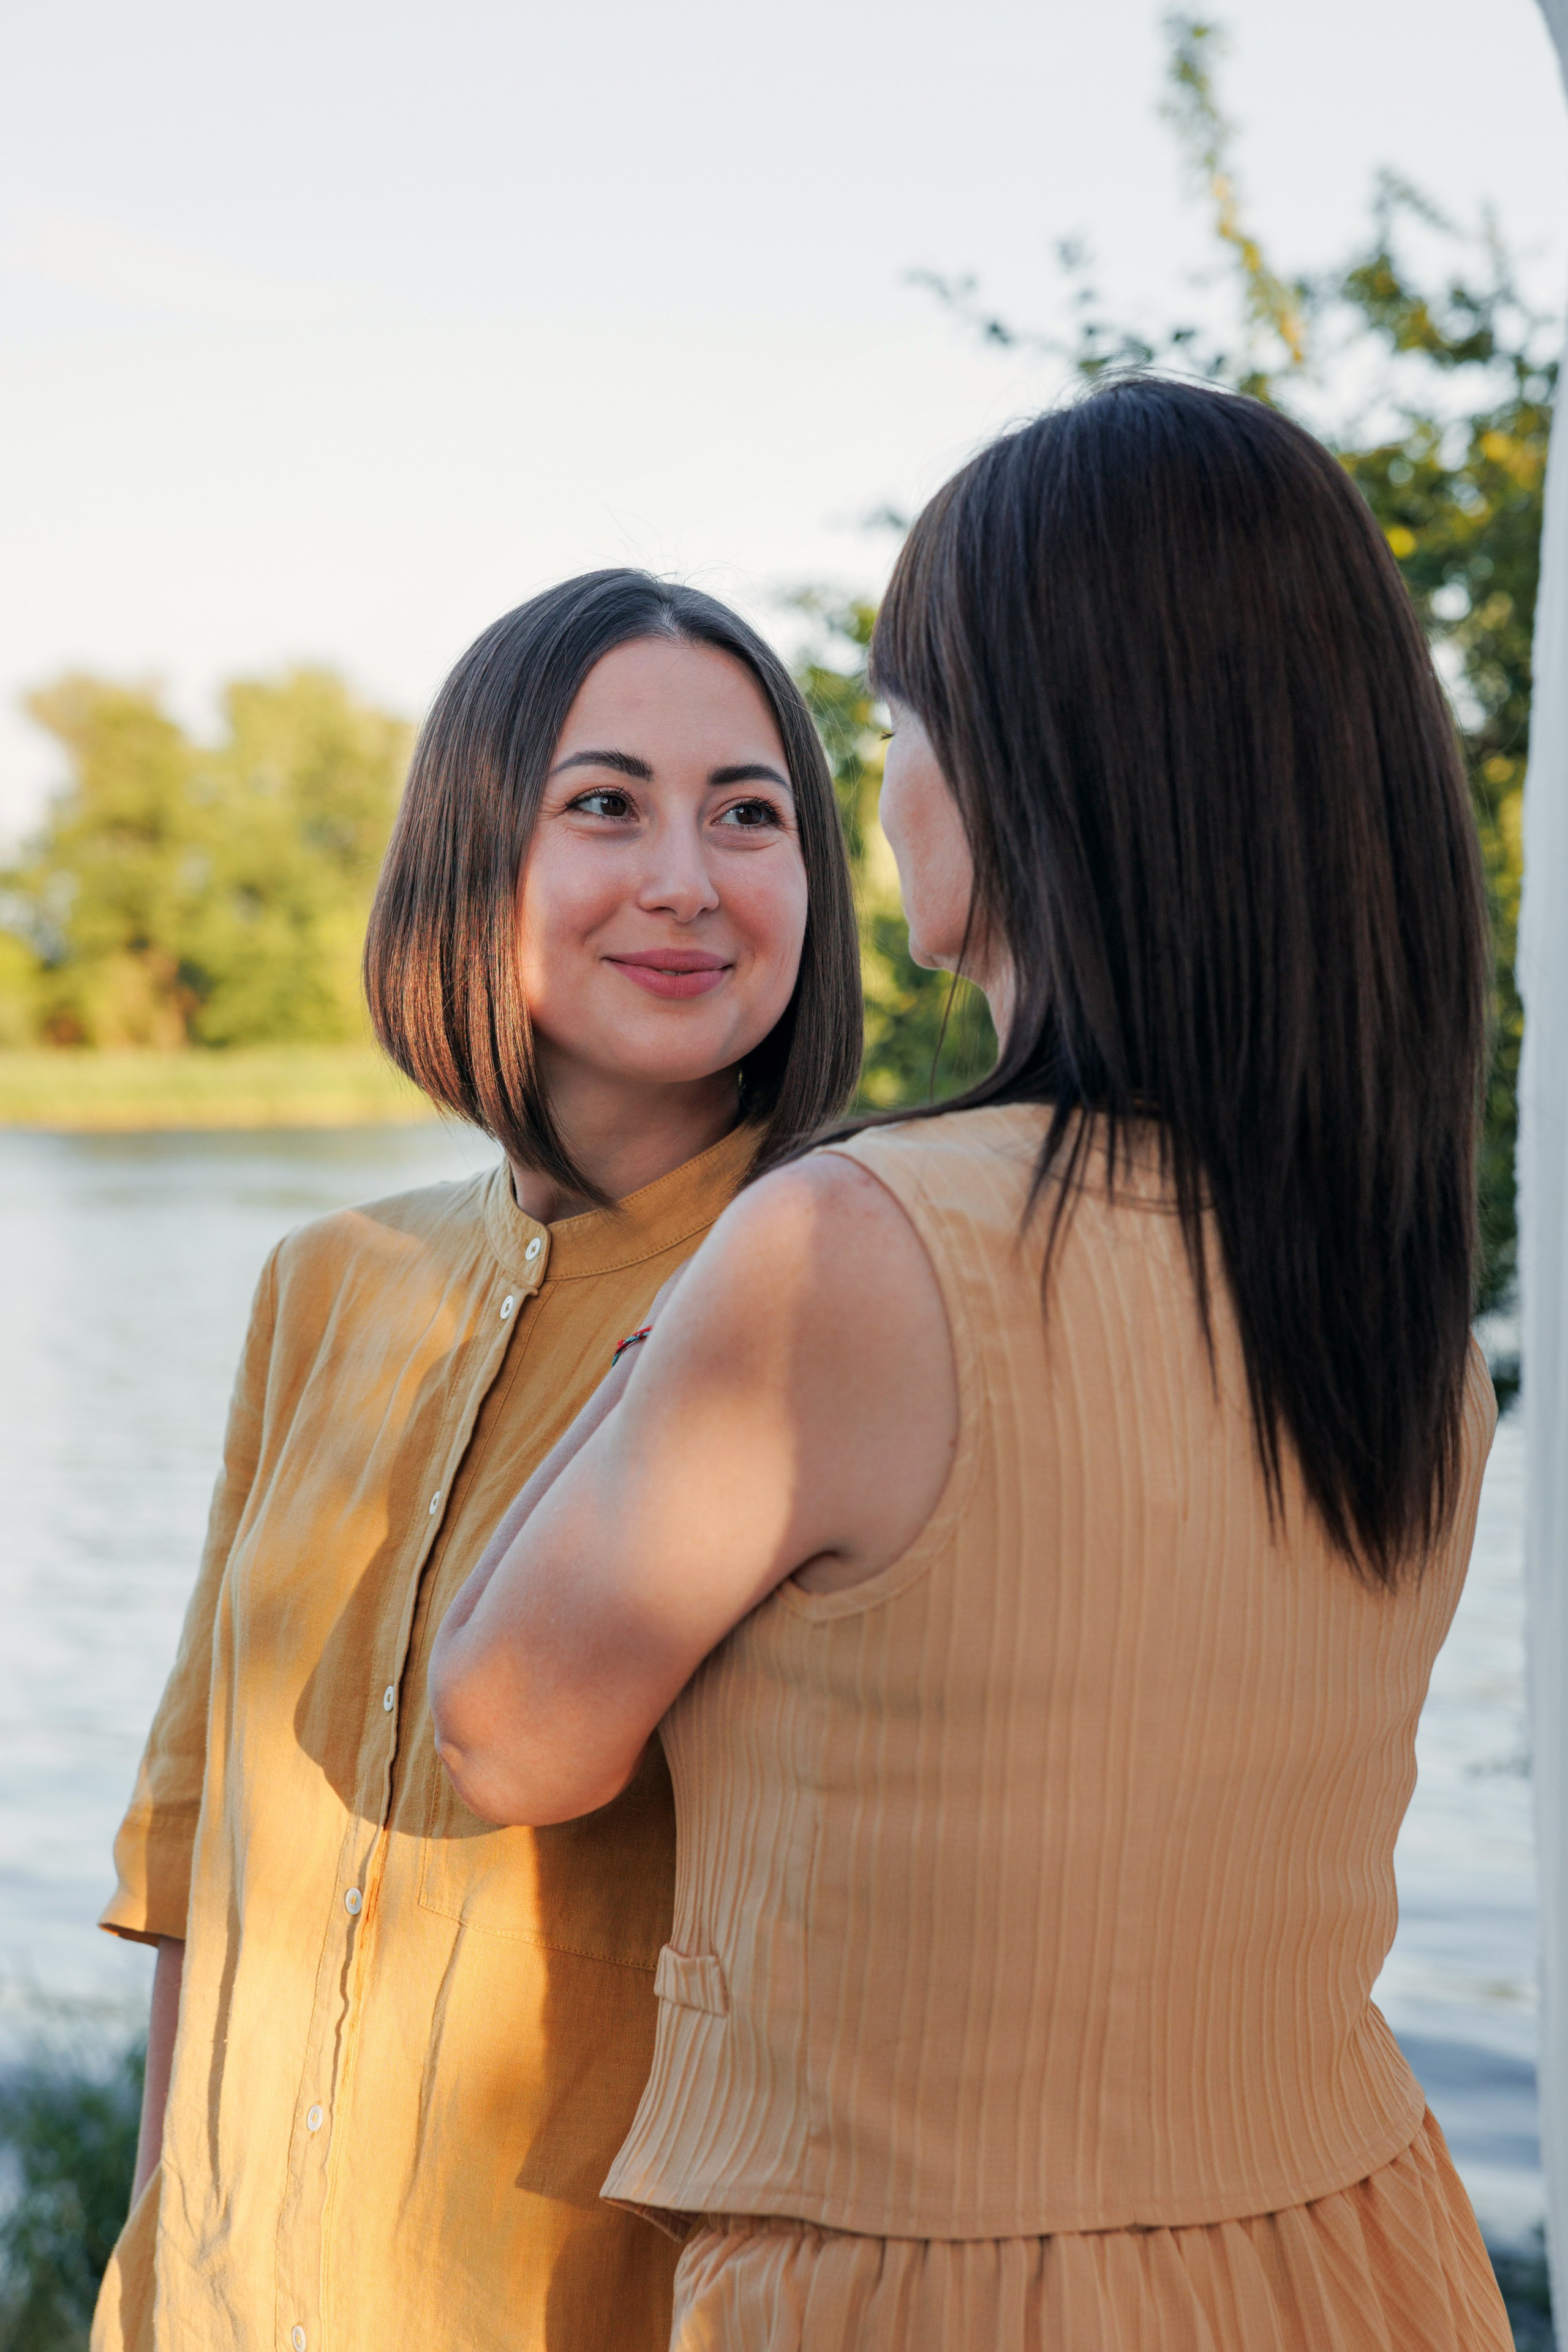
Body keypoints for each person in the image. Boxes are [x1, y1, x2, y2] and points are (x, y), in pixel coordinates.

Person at [431, 383, 1515, 2351]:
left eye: (902, 727)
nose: (888, 792)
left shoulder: (855, 1249)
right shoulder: (1400, 1309)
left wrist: (689, 1285)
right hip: (1357, 2255)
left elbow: (505, 1732)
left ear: (1040, 768)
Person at [89, 569, 861, 2352]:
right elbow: (192, 1855)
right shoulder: (326, 1283)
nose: (687, 877)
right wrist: (153, 2283)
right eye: (605, 804)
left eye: (749, 815)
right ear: (465, 857)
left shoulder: (850, 1302)